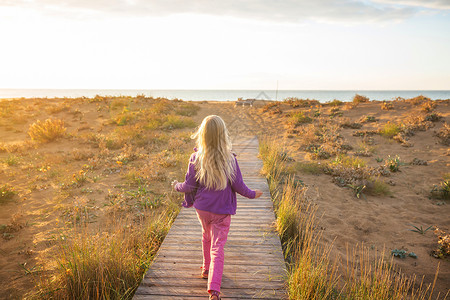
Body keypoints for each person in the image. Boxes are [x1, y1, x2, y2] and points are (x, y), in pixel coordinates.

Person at [172, 115, 263, 300]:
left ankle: (206, 269)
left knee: (206, 236)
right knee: (218, 247)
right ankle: (214, 289)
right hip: (222, 211)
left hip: (202, 209)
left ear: (203, 135)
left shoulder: (196, 157)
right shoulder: (229, 159)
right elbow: (239, 186)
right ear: (223, 135)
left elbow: (188, 186)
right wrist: (253, 194)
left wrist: (176, 185)